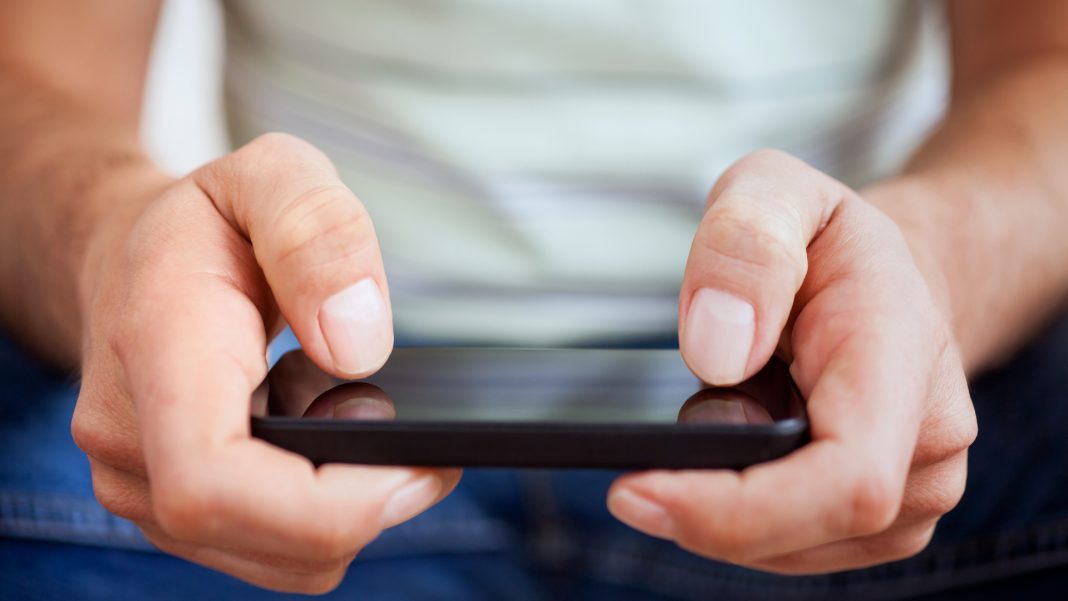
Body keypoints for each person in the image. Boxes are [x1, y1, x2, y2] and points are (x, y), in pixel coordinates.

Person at [1, 0, 1067, 599]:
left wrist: (932, 264)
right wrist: (116, 251)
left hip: (834, 377)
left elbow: (1048, 65)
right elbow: (33, 84)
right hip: (297, 398)